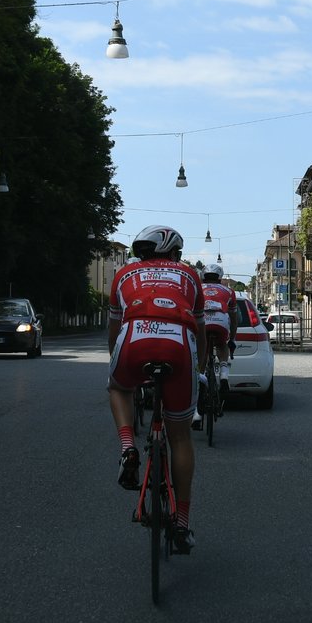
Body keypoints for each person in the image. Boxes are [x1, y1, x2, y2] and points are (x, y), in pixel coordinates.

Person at [106, 225, 205, 553]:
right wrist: (200, 367)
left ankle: (126, 447)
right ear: (174, 252)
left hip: (135, 337)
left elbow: (113, 328)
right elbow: (200, 328)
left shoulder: (123, 275)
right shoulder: (189, 275)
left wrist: (118, 364)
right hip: (179, 343)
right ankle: (182, 523)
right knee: (180, 438)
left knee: (118, 387)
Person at [194, 263, 238, 430]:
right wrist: (231, 338)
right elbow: (233, 318)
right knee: (222, 344)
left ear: (203, 277)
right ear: (220, 277)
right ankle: (224, 375)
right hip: (221, 320)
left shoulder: (197, 289)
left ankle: (197, 414)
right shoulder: (228, 291)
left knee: (203, 355)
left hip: (203, 322)